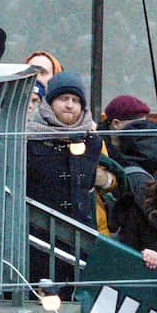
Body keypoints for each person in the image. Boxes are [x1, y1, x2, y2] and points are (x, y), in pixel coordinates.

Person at [26, 72, 103, 228]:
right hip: (37, 233)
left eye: (75, 100)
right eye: (63, 98)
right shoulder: (29, 137)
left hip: (81, 234)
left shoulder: (93, 141)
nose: (69, 105)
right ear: (49, 102)